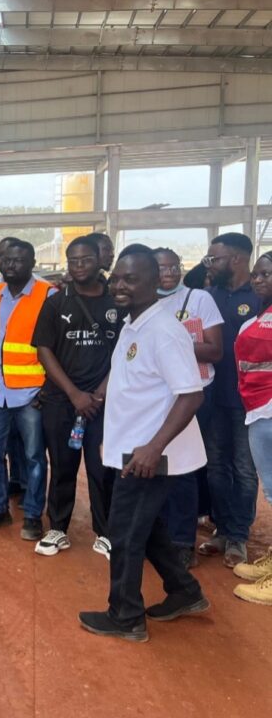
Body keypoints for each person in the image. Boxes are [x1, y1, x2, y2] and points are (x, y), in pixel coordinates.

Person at [78, 245, 208, 643]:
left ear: (155, 282)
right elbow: (129, 385)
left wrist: (153, 448)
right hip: (132, 448)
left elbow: (191, 395)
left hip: (150, 455)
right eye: (116, 278)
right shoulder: (133, 324)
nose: (119, 285)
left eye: (130, 279)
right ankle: (185, 592)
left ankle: (126, 616)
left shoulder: (164, 331)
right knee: (145, 528)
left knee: (124, 533)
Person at [31, 236, 119, 558]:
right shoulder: (56, 303)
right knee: (62, 465)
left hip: (103, 403)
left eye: (86, 260)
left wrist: (99, 394)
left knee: (102, 468)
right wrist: (74, 394)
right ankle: (57, 528)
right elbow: (44, 350)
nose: (79, 266)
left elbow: (125, 352)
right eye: (73, 261)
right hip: (61, 401)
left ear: (100, 261)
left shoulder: (116, 302)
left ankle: (105, 532)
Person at [0, 240, 52, 540]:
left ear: (32, 262)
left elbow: (56, 346)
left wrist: (48, 386)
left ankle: (32, 515)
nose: (10, 264)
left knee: (34, 457)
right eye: (5, 259)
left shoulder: (48, 295)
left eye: (18, 260)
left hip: (32, 392)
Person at [153, 246, 224, 567]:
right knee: (154, 468)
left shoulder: (199, 299)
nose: (169, 273)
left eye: (174, 266)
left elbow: (214, 350)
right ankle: (158, 537)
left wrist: (170, 343)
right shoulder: (142, 303)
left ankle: (182, 542)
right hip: (154, 397)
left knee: (183, 469)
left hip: (192, 393)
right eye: (161, 268)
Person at [199, 232, 261, 568]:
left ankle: (238, 535)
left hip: (248, 401)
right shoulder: (210, 296)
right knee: (216, 467)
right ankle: (222, 528)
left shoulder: (260, 296)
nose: (209, 264)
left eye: (214, 258)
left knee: (244, 470)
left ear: (236, 259)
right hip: (213, 396)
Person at [232, 250, 272, 605]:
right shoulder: (262, 314)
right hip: (258, 410)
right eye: (257, 274)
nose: (258, 280)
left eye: (266, 274)